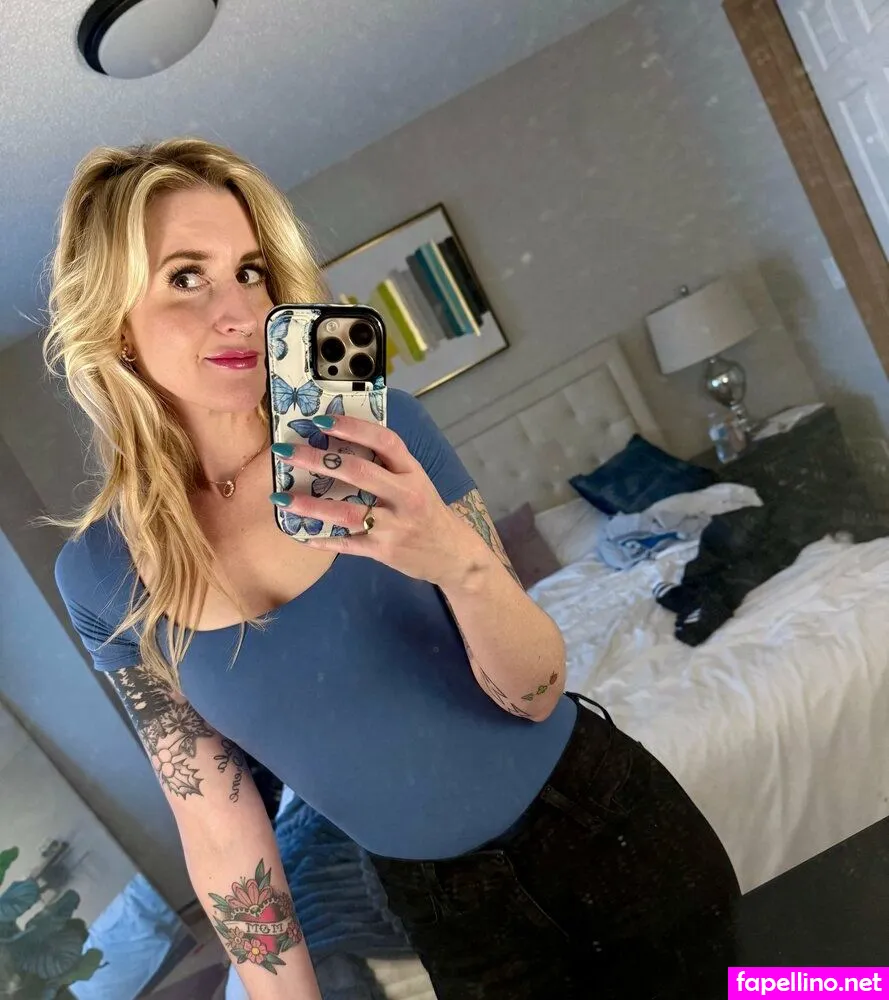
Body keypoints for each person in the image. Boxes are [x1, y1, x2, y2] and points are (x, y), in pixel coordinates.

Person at [48, 138, 740, 1000]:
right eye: (185, 277)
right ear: (114, 318)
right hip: (446, 910)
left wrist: (459, 563)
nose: (238, 312)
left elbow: (535, 692)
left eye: (251, 272)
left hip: (603, 819)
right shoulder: (104, 573)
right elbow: (216, 825)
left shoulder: (383, 437)